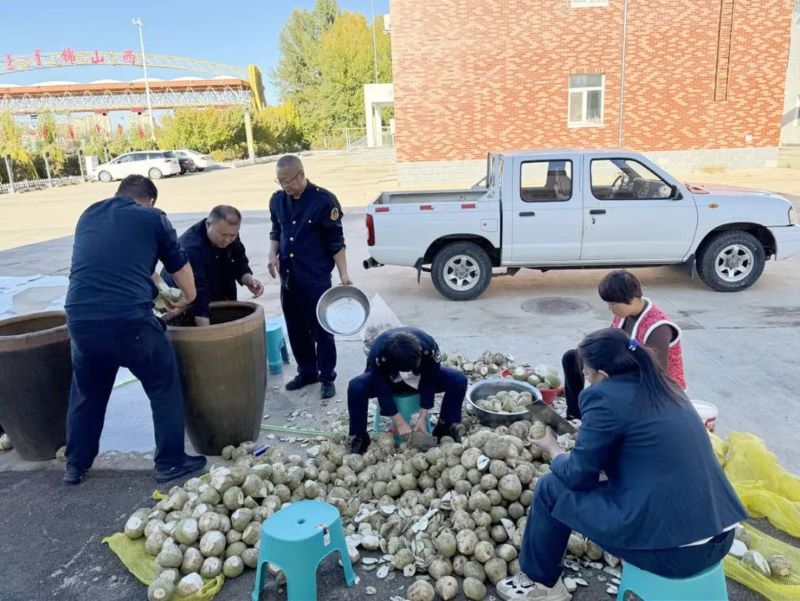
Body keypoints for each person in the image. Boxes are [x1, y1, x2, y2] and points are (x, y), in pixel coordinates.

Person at [496, 328, 746, 601]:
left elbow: (578, 477)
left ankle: (541, 586)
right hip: (719, 537)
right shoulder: (665, 386)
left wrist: (552, 448)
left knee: (550, 487)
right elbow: (644, 447)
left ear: (603, 375)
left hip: (674, 554)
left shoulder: (602, 397)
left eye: (587, 374)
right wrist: (593, 439)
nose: (587, 381)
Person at [63, 175, 206, 485]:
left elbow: (126, 264)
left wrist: (154, 284)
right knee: (163, 385)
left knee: (88, 393)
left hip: (80, 319)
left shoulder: (89, 214)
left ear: (119, 193)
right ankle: (170, 462)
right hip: (129, 321)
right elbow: (182, 271)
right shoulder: (153, 218)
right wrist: (186, 300)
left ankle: (75, 465)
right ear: (150, 200)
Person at [268, 155, 351, 400]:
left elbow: (336, 241)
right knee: (295, 328)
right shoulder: (277, 201)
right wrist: (272, 254)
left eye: (288, 181)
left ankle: (327, 376)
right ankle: (307, 372)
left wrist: (344, 274)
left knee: (322, 329)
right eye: (280, 181)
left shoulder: (324, 201)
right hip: (289, 277)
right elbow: (276, 230)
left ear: (301, 174)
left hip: (315, 277)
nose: (284, 186)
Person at [562, 270, 686, 419]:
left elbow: (655, 373)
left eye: (613, 304)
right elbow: (607, 344)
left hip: (651, 385)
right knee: (572, 358)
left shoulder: (658, 328)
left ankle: (596, 418)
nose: (610, 308)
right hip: (624, 366)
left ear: (632, 299)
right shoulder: (624, 314)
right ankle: (575, 415)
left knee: (599, 385)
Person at [347, 327, 467, 454]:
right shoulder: (379, 353)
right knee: (356, 386)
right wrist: (399, 422)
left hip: (420, 379)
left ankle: (444, 427)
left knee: (458, 380)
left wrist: (422, 417)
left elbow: (430, 379)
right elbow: (381, 388)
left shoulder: (428, 347)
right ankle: (360, 436)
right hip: (390, 381)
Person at [161, 205, 263, 326]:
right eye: (223, 235)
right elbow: (199, 292)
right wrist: (206, 332)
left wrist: (248, 280)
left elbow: (239, 260)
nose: (227, 240)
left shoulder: (229, 233)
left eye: (233, 236)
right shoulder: (191, 248)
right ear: (208, 224)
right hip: (184, 298)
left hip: (217, 286)